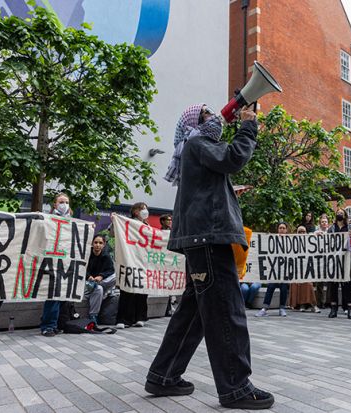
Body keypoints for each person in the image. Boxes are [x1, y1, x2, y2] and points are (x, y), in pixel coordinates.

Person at [145, 104, 273, 410]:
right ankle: (235, 387)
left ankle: (163, 375)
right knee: (226, 310)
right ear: (192, 122)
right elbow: (233, 158)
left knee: (195, 312)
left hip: (201, 239)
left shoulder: (194, 148)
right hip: (209, 239)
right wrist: (248, 127)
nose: (213, 115)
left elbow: (212, 180)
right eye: (204, 113)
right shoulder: (198, 141)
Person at [39, 193, 72, 337]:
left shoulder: (73, 221)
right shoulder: (48, 219)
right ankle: (47, 326)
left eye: (66, 201)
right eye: (61, 201)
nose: (64, 204)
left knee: (60, 295)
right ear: (55, 204)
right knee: (53, 295)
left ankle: (55, 324)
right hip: (52, 261)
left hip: (66, 262)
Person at [115, 202, 150, 328]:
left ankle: (140, 317)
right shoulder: (126, 223)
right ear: (135, 211)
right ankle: (123, 319)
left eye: (146, 209)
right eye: (142, 209)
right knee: (127, 289)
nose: (145, 211)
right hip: (129, 259)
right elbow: (114, 233)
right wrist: (114, 220)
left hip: (142, 262)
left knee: (142, 290)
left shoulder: (147, 226)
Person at [256, 222, 291, 317]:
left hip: (285, 270)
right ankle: (264, 308)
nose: (282, 230)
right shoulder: (273, 240)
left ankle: (282, 308)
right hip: (274, 270)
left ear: (286, 230)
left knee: (284, 288)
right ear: (278, 229)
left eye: (284, 228)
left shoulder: (290, 241)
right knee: (270, 287)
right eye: (280, 228)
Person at [327, 209, 351, 319]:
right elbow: (326, 242)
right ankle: (334, 309)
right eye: (338, 213)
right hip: (334, 260)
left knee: (347, 285)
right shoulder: (331, 229)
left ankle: (349, 309)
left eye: (341, 213)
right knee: (333, 285)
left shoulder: (350, 227)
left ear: (345, 216)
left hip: (346, 259)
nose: (339, 214)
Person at [84, 235, 115, 324]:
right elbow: (81, 268)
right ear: (92, 243)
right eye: (96, 242)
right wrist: (88, 276)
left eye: (100, 243)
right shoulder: (87, 254)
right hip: (87, 283)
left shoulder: (106, 256)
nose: (98, 245)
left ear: (104, 244)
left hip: (99, 281)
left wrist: (101, 276)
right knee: (99, 289)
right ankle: (93, 315)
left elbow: (110, 270)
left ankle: (96, 285)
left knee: (115, 276)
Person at [288, 226, 319, 313]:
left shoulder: (310, 242)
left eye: (303, 232)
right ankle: (301, 305)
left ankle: (313, 305)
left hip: (307, 269)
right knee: (296, 282)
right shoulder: (293, 242)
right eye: (300, 232)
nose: (302, 233)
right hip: (296, 270)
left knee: (308, 283)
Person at [314, 216, 330, 307]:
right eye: (322, 222)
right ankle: (320, 302)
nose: (324, 223)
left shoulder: (331, 232)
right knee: (319, 283)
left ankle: (328, 302)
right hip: (319, 260)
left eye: (326, 221)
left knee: (329, 282)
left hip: (329, 260)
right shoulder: (316, 233)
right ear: (320, 223)